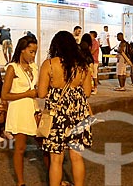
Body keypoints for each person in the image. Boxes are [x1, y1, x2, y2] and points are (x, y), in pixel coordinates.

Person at [38, 31, 93, 186]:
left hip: (57, 115)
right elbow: (87, 92)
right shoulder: (83, 66)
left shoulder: (49, 64)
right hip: (78, 114)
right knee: (76, 156)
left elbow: (41, 93)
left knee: (56, 158)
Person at [1, 35, 40, 186]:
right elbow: (4, 95)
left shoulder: (34, 67)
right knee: (20, 147)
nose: (33, 55)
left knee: (44, 143)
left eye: (35, 52)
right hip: (18, 109)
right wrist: (27, 94)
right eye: (31, 51)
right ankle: (20, 181)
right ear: (22, 50)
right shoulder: (13, 68)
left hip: (33, 108)